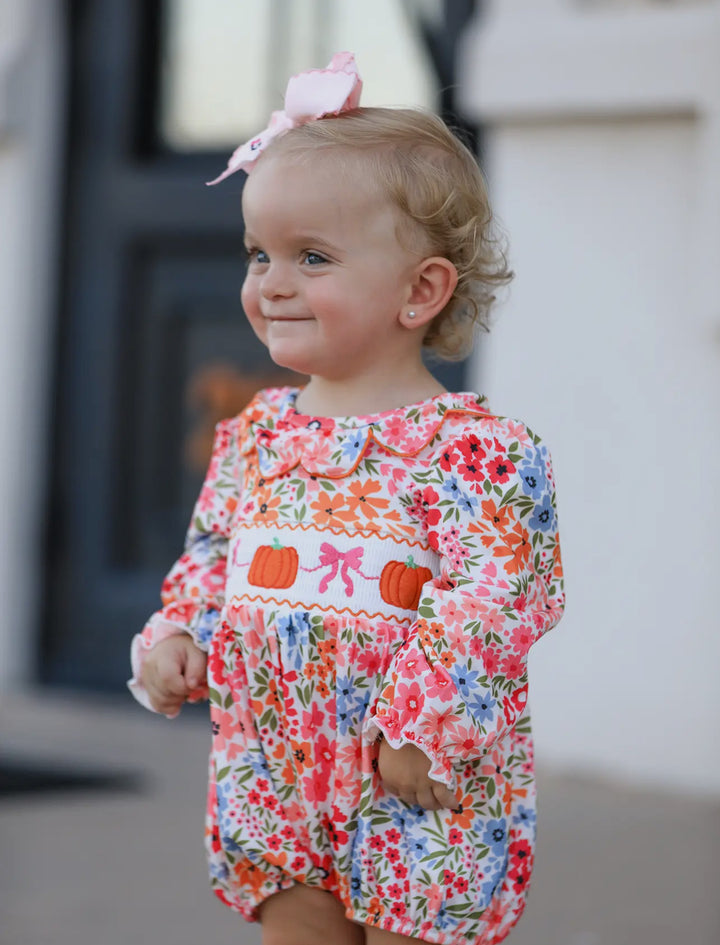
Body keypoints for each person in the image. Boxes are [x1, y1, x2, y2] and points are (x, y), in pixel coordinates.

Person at [128, 53, 564, 945]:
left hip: (413, 769)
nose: (270, 282)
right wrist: (181, 632)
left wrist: (420, 721)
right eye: (259, 254)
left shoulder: (476, 451)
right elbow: (214, 556)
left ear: (421, 290)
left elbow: (495, 599)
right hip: (276, 765)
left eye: (311, 257)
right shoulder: (258, 434)